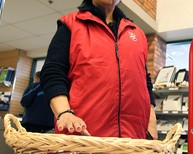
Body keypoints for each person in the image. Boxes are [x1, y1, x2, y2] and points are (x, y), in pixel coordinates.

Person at [40, 0, 158, 139]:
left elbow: (144, 80)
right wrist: (64, 113)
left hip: (133, 142)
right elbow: (53, 71)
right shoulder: (71, 24)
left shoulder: (137, 34)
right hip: (83, 138)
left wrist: (151, 123)